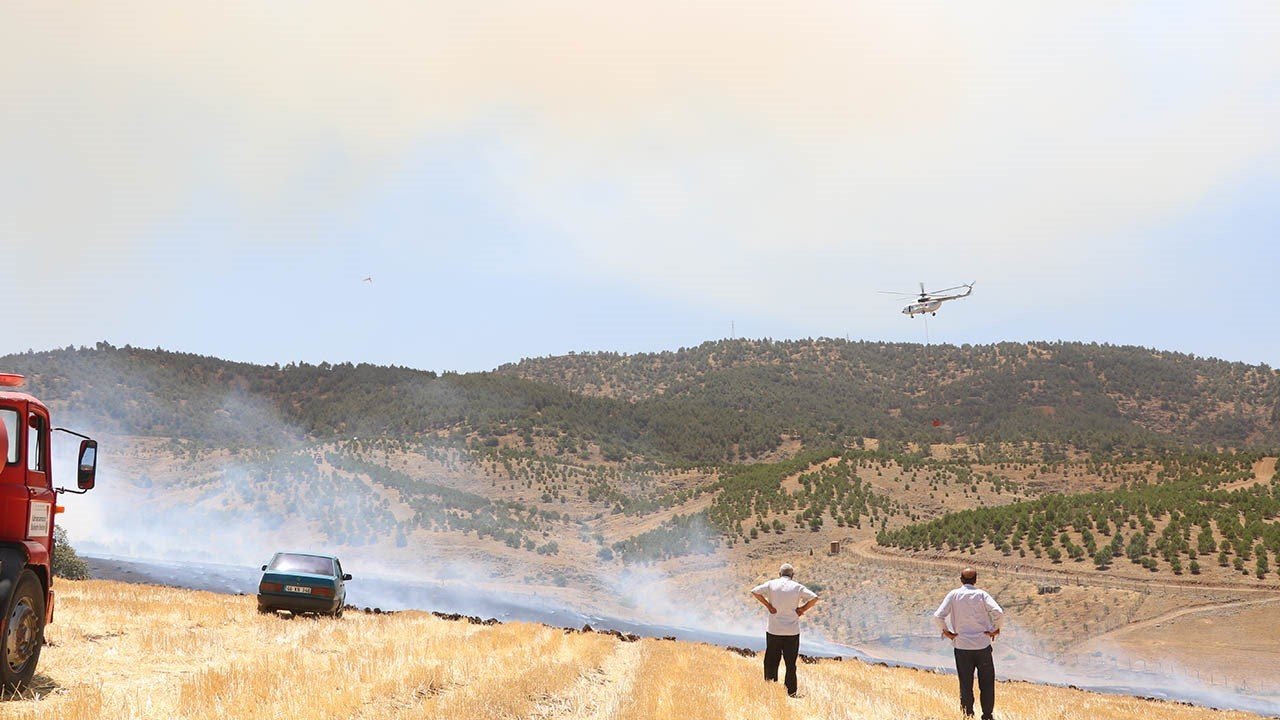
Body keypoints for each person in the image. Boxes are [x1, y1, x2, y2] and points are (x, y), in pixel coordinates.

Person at [933, 567, 1004, 720]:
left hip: (962, 646)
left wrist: (946, 632)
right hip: (982, 646)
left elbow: (938, 615)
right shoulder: (982, 595)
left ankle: (968, 715)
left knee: (965, 683)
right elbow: (998, 612)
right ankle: (987, 715)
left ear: (961, 579)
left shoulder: (954, 595)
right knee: (986, 683)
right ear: (976, 580)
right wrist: (995, 629)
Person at [750, 563, 819, 697]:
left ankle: (771, 689)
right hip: (792, 631)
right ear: (792, 576)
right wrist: (802, 609)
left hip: (774, 630)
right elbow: (815, 598)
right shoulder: (797, 587)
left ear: (779, 574)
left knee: (771, 661)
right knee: (790, 663)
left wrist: (768, 606)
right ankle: (791, 692)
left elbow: (754, 591)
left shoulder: (771, 584)